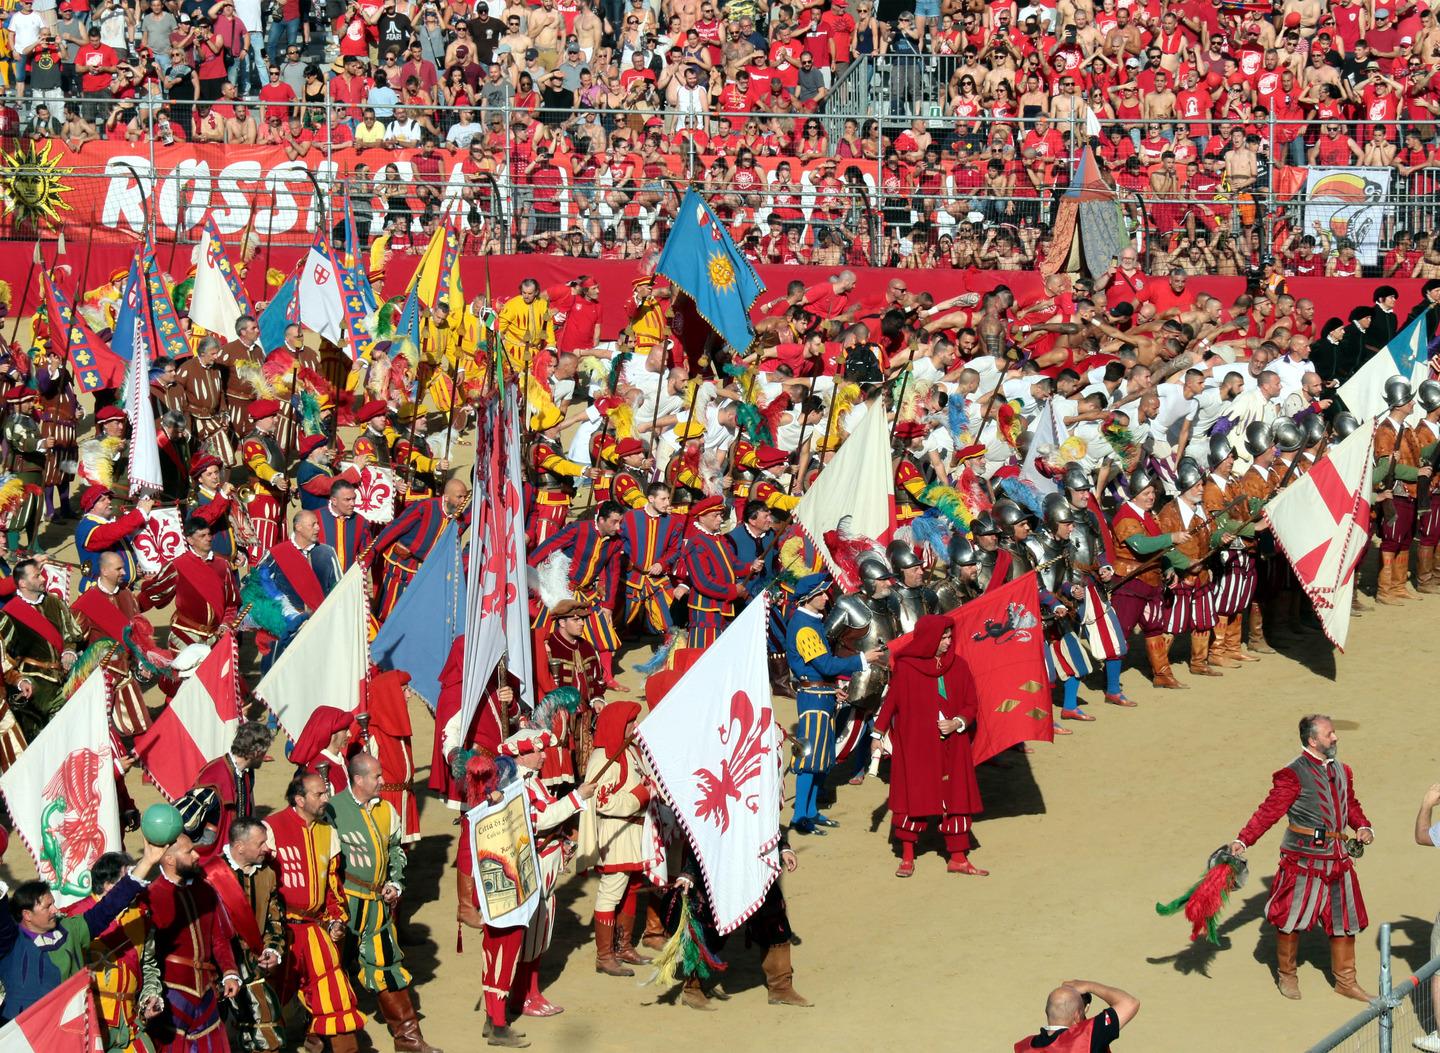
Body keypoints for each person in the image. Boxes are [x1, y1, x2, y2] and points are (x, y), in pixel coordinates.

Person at [457, 730, 595, 1047]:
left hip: (512, 884)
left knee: (502, 955)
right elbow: (536, 822)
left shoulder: (521, 785)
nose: (545, 755)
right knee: (502, 956)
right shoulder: (513, 788)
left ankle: (495, 1019)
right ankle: (498, 1023)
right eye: (539, 750)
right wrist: (577, 798)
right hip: (508, 888)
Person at [1230, 714, 1375, 1001]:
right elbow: (1269, 811)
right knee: (1290, 919)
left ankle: (1346, 981)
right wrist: (1243, 839)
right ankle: (1287, 976)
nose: (1335, 737)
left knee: (1344, 920)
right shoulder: (1293, 774)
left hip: (1338, 858)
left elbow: (1350, 805)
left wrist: (1363, 825)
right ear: (1313, 740)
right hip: (1303, 860)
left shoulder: (1342, 770)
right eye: (1329, 734)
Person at [328, 752, 441, 1053]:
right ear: (358, 779)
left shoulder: (386, 810)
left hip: (377, 905)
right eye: (376, 776)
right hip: (345, 906)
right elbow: (326, 863)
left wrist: (394, 883)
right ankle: (316, 1040)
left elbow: (395, 851)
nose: (382, 781)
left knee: (387, 965)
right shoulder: (333, 811)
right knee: (330, 971)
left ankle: (408, 1039)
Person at [0, 838, 166, 1022]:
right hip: (24, 1038)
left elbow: (109, 906)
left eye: (54, 904)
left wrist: (147, 862)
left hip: (70, 1035)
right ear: (27, 915)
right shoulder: (11, 943)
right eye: (48, 907)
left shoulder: (71, 929)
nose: (56, 910)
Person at [873, 613, 987, 877]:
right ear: (929, 639)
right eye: (943, 638)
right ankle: (908, 857)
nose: (948, 642)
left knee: (955, 798)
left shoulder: (959, 666)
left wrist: (958, 722)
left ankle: (958, 858)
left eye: (949, 637)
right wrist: (876, 736)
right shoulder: (908, 667)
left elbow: (971, 704)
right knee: (915, 798)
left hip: (953, 745)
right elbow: (891, 703)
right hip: (917, 747)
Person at [264, 772, 364, 1051]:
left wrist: (336, 920)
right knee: (271, 1000)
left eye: (326, 792)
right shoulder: (270, 829)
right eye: (319, 794)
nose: (326, 799)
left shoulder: (328, 833)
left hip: (315, 929)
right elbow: (261, 886)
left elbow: (334, 887)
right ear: (299, 799)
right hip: (281, 932)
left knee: (335, 993)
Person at [786, 572, 874, 834]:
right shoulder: (803, 626)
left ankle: (811, 811)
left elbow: (821, 669)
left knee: (822, 757)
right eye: (822, 594)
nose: (827, 597)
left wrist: (831, 688)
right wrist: (861, 659)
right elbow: (825, 664)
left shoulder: (811, 621)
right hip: (813, 699)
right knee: (809, 758)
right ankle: (800, 816)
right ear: (809, 598)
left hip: (821, 695)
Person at [145, 830, 243, 1053]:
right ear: (169, 859)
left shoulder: (205, 889)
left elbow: (218, 937)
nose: (197, 855)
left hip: (207, 991)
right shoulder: (152, 896)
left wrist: (229, 971)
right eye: (189, 852)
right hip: (171, 994)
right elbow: (147, 955)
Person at [580, 700, 655, 979]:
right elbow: (603, 801)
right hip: (616, 832)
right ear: (618, 725)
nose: (635, 727)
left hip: (635, 830)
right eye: (631, 722)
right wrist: (641, 794)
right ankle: (605, 956)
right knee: (612, 890)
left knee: (632, 887)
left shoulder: (632, 752)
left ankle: (623, 947)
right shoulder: (604, 758)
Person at [204, 816, 286, 1053]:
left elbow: (275, 917)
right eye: (260, 843)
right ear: (239, 847)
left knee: (266, 1035)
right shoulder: (209, 876)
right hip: (215, 971)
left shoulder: (267, 872)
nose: (267, 848)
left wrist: (272, 949)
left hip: (253, 966)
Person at [1014, 979, 1140, 1051]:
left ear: (1047, 1012)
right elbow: (1129, 1003)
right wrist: (1088, 986)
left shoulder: (1023, 1046)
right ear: (1077, 1015)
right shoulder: (1087, 1036)